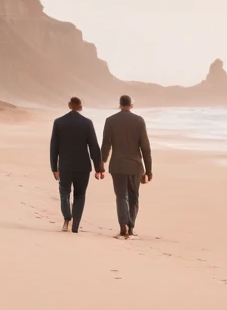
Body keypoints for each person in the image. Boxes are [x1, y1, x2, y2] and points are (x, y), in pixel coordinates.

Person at [100, 95, 153, 239]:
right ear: (131, 105)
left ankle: (123, 224)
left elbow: (106, 145)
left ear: (119, 104)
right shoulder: (139, 121)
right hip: (135, 166)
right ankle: (131, 226)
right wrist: (149, 170)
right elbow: (145, 148)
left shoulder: (110, 121)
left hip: (117, 165)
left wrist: (101, 164)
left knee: (121, 196)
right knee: (133, 197)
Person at [49, 97, 104, 233]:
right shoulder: (87, 123)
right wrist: (99, 168)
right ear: (80, 107)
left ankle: (67, 218)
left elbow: (53, 147)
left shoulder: (59, 122)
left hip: (65, 166)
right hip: (83, 167)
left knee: (64, 193)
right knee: (80, 195)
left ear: (69, 105)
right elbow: (94, 147)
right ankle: (75, 226)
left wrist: (54, 168)